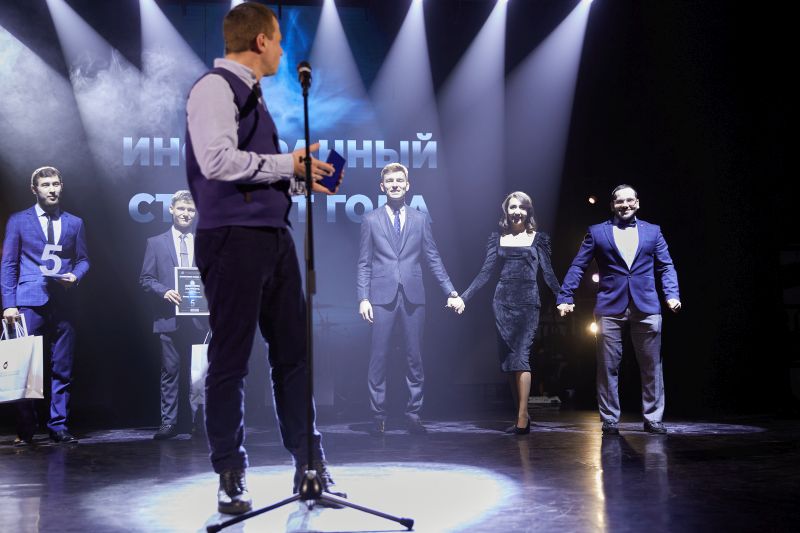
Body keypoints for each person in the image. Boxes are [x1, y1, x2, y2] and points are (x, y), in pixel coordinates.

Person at [185, 2, 344, 515]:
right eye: (277, 40)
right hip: (232, 239)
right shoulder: (215, 88)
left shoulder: (255, 96)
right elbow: (216, 161)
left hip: (273, 238)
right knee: (230, 360)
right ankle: (230, 475)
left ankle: (310, 465)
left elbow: (254, 173)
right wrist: (284, 164)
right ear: (260, 41)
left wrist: (300, 178)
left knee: (294, 356)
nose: (281, 50)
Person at [557, 185, 680, 435]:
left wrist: (672, 294)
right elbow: (579, 265)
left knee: (651, 365)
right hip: (610, 306)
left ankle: (653, 418)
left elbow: (666, 266)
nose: (625, 205)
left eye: (629, 200)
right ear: (612, 205)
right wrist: (565, 296)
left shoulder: (653, 231)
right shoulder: (597, 232)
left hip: (646, 305)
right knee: (608, 366)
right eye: (619, 201)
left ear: (637, 203)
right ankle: (610, 419)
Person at [357, 162, 463, 435]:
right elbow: (364, 262)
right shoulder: (370, 219)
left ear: (407, 185)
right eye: (390, 181)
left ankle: (413, 414)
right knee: (378, 358)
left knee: (414, 357)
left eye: (399, 181)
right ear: (382, 186)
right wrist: (363, 298)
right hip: (380, 296)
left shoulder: (420, 219)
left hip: (414, 296)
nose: (394, 185)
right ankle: (378, 415)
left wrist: (450, 291)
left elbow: (433, 257)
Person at [458, 192, 561, 435]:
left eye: (521, 207)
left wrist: (563, 297)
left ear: (528, 211)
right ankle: (520, 414)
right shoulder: (497, 239)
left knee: (521, 356)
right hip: (502, 302)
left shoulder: (539, 239)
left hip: (528, 303)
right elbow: (485, 273)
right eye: (512, 207)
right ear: (506, 211)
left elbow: (548, 272)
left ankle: (523, 416)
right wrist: (464, 297)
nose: (516, 211)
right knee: (509, 361)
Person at [1, 166, 90, 445]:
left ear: (61, 186)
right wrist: (8, 305)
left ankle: (58, 425)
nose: (52, 189)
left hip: (64, 302)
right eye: (45, 185)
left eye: (55, 184)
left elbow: (83, 259)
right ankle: (26, 426)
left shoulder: (75, 222)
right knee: (26, 367)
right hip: (29, 301)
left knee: (62, 367)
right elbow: (9, 264)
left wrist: (75, 276)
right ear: (34, 189)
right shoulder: (19, 220)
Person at [139, 190, 208, 440]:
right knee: (170, 371)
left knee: (199, 373)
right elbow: (146, 279)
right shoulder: (155, 243)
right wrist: (164, 291)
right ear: (171, 209)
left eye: (190, 210)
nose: (186, 214)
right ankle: (168, 422)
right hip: (168, 318)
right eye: (181, 209)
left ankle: (199, 422)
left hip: (199, 320)